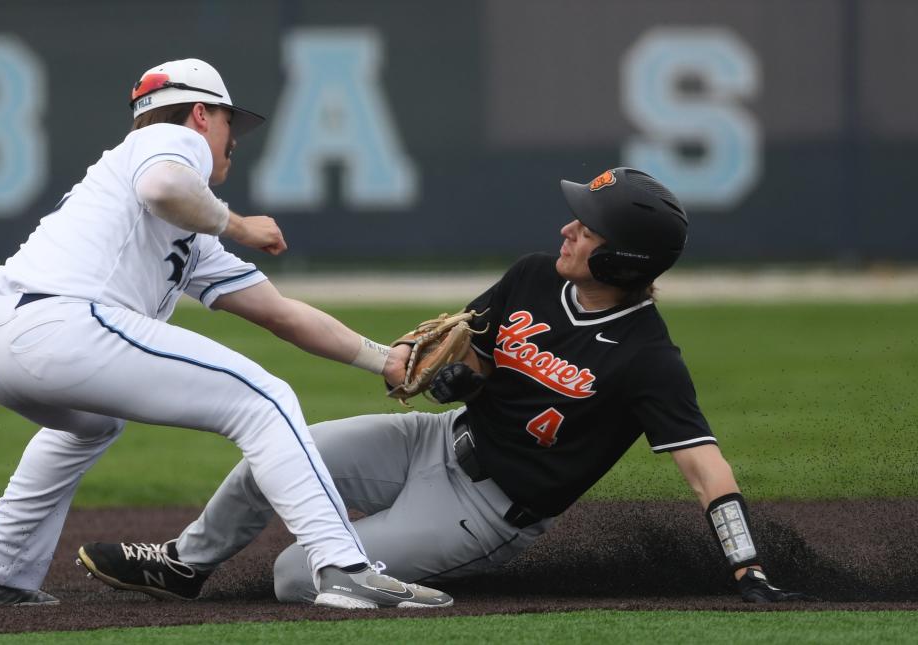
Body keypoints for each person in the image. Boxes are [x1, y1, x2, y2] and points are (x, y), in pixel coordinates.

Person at [78, 167, 809, 604]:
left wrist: (745, 563)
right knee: (273, 456)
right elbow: (454, 352)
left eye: (586, 227)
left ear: (621, 258)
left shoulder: (648, 358)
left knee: (298, 575)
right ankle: (184, 564)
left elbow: (703, 467)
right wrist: (457, 373)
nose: (567, 227)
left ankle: (408, 584)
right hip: (431, 441)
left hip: (487, 512)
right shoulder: (531, 275)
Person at [0, 58, 453, 610]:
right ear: (199, 114)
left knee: (92, 426)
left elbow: (280, 313)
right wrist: (240, 224)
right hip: (62, 325)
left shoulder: (180, 227)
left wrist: (384, 359)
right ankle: (344, 568)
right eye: (228, 123)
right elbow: (164, 183)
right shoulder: (172, 141)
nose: (232, 140)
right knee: (265, 400)